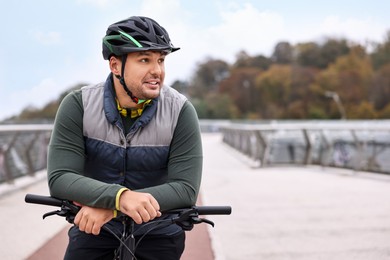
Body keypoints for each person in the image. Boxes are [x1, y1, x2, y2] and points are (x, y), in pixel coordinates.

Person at [47, 16, 203, 260]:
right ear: (115, 65)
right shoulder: (79, 105)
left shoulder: (180, 111)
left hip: (158, 230)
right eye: (145, 60)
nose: (157, 71)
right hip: (95, 230)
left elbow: (185, 188)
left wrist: (112, 208)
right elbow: (60, 178)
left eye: (161, 60)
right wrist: (120, 198)